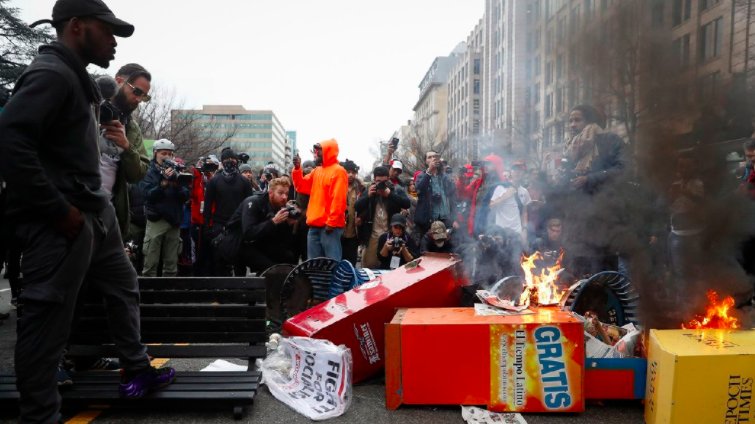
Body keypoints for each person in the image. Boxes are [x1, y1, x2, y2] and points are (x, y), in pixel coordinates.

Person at [0, 2, 174, 421]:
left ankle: (137, 368)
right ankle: (41, 415)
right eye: (107, 31)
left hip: (99, 214)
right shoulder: (52, 74)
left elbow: (128, 169)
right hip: (63, 220)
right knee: (47, 320)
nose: (114, 41)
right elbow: (10, 142)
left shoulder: (77, 80)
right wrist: (57, 209)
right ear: (77, 27)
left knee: (124, 287)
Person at [97, 63, 151, 241]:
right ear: (119, 81)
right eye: (137, 92)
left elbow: (139, 174)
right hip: (72, 208)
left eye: (144, 96)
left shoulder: (132, 128)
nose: (139, 100)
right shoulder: (87, 106)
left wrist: (126, 148)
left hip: (109, 215)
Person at [292, 139, 348, 260]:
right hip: (315, 226)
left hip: (329, 228)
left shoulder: (338, 171)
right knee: (315, 265)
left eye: (318, 150)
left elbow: (339, 199)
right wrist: (297, 169)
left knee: (331, 264)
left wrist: (331, 223)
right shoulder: (317, 171)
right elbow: (301, 186)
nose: (315, 153)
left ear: (328, 152)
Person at [140, 139, 190, 277]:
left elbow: (186, 196)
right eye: (163, 153)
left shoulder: (177, 170)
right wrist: (162, 185)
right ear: (155, 153)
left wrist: (177, 185)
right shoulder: (149, 171)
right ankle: (149, 288)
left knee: (171, 264)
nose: (167, 156)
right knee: (150, 261)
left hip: (174, 221)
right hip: (156, 219)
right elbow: (147, 195)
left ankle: (169, 289)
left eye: (170, 154)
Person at [228, 177, 299, 273]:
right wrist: (273, 221)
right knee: (271, 268)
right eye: (280, 193)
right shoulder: (254, 202)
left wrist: (288, 224)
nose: (284, 197)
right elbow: (248, 233)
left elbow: (280, 238)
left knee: (288, 257)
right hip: (237, 242)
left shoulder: (278, 206)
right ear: (270, 193)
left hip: (257, 242)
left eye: (286, 194)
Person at [203, 148, 254, 274]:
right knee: (219, 261)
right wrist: (207, 228)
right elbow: (207, 206)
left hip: (238, 226)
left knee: (239, 262)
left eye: (232, 159)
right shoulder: (214, 181)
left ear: (237, 161)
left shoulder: (244, 182)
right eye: (226, 159)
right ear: (222, 161)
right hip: (219, 226)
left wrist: (249, 226)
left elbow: (250, 206)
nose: (229, 162)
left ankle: (240, 286)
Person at [355, 166, 411, 268]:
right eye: (378, 181)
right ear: (374, 179)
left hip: (390, 235)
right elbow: (357, 207)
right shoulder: (370, 189)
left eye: (384, 181)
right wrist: (368, 196)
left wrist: (390, 194)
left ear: (388, 179)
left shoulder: (395, 189)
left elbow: (407, 204)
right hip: (372, 235)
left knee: (389, 267)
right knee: (369, 266)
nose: (380, 184)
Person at [415, 150, 457, 237]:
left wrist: (455, 219)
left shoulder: (445, 177)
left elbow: (453, 198)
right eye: (429, 157)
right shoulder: (422, 176)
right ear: (426, 161)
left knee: (447, 243)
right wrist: (429, 172)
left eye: (434, 156)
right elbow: (419, 190)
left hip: (446, 219)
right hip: (430, 220)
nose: (433, 159)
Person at [190, 155, 219, 276]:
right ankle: (198, 276)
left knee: (211, 252)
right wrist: (198, 171)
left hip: (212, 222)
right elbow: (192, 193)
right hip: (198, 222)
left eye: (212, 166)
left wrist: (213, 176)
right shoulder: (197, 179)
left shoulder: (216, 180)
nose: (208, 168)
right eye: (206, 165)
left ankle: (211, 276)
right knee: (198, 252)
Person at [341, 159, 363, 266]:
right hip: (338, 232)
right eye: (348, 172)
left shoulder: (361, 188)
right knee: (338, 262)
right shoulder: (337, 185)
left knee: (351, 264)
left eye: (353, 172)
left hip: (354, 233)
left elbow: (365, 207)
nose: (350, 175)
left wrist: (361, 217)